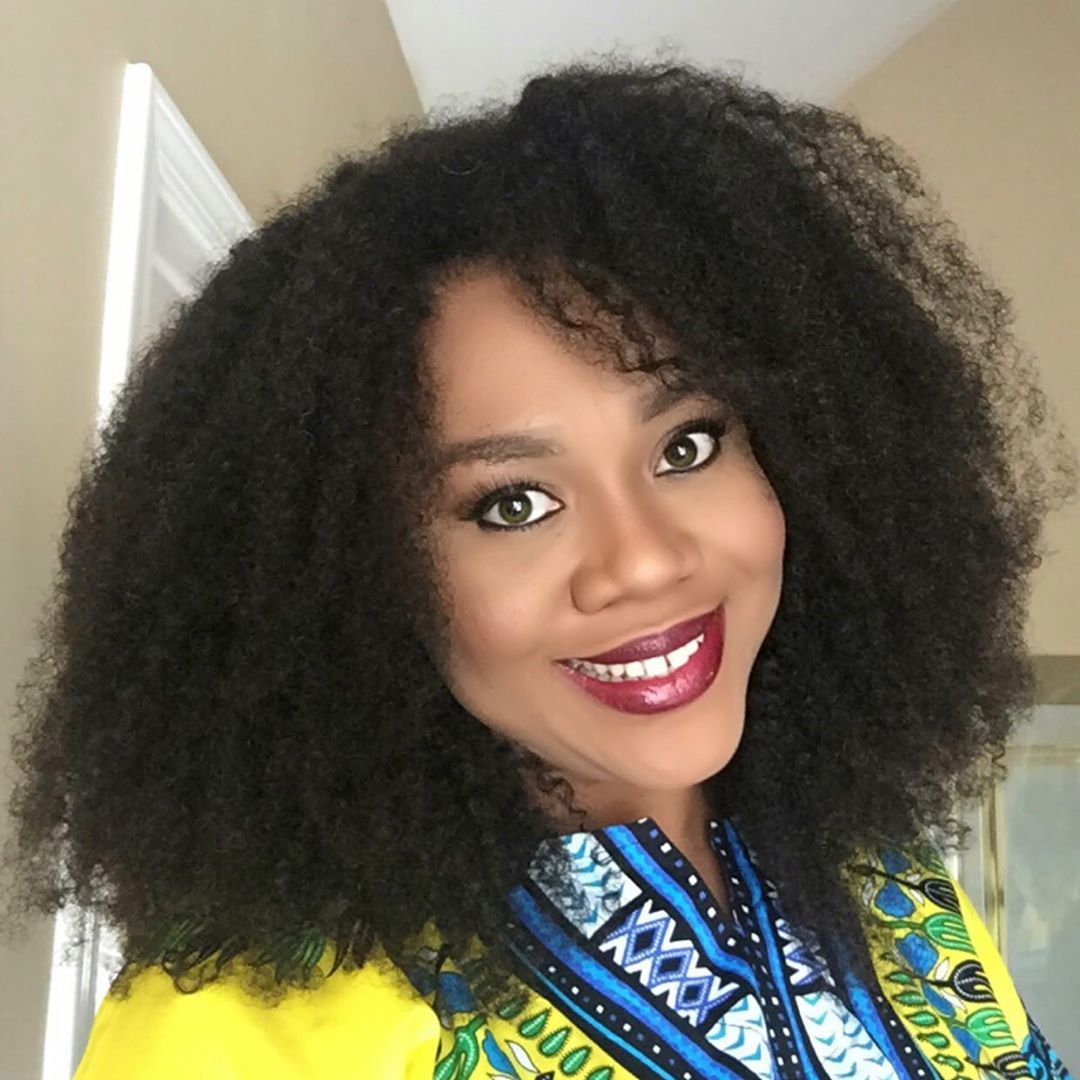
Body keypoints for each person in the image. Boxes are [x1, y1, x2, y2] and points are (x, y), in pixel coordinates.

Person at [3, 54, 1075, 1080]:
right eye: (514, 503)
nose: (645, 560)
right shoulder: (248, 1016)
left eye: (687, 446)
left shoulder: (887, 880)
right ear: (357, 584)